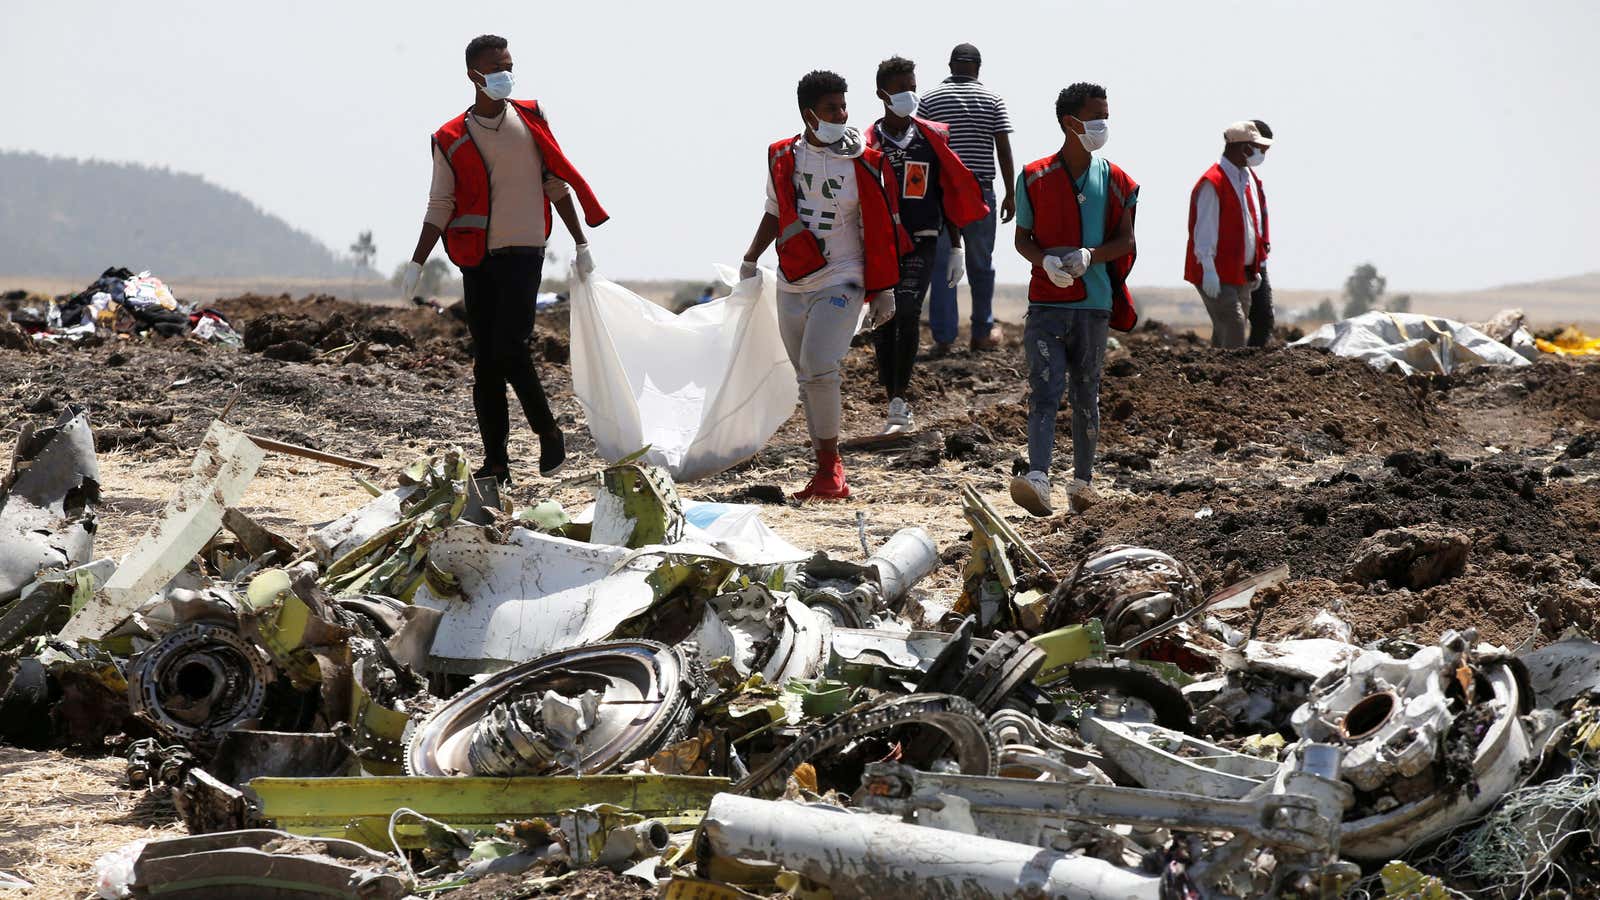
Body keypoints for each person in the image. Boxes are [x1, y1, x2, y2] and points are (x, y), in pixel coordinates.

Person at [400, 34, 608, 484]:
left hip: (525, 255)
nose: (505, 75)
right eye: (496, 67)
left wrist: (581, 242)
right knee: (487, 364)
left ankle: (548, 431)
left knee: (510, 348)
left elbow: (557, 182)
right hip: (477, 260)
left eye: (509, 65)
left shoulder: (532, 118)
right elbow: (441, 204)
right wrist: (417, 262)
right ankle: (496, 464)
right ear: (474, 75)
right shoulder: (451, 137)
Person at [739, 70, 910, 501]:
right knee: (807, 375)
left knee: (820, 366)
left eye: (844, 106)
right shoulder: (781, 155)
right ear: (808, 113)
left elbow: (882, 225)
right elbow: (775, 210)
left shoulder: (865, 161)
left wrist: (884, 287)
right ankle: (823, 470)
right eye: (832, 107)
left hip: (844, 275)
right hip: (793, 277)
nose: (841, 114)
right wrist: (750, 256)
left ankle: (832, 467)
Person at [1009, 83, 1140, 517]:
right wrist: (1044, 260)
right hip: (1047, 303)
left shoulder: (1119, 181)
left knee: (1087, 392)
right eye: (1097, 116)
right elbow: (1022, 239)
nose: (1104, 124)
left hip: (1094, 304)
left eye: (1106, 115)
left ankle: (1083, 483)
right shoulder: (1033, 176)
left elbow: (1126, 240)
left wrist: (1090, 255)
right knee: (1044, 391)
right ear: (1071, 122)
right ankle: (1039, 477)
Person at [864, 56, 990, 434]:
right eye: (902, 88)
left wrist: (956, 247)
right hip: (881, 244)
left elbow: (948, 191)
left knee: (906, 311)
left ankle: (900, 404)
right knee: (883, 322)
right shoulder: (868, 142)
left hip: (923, 240)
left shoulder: (932, 138)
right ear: (882, 94)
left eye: (913, 87)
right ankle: (892, 398)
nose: (910, 95)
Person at [917, 43, 1015, 354]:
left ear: (949, 66)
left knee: (943, 264)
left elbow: (921, 148)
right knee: (980, 265)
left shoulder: (930, 100)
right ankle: (982, 333)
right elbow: (1003, 147)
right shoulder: (993, 100)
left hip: (941, 194)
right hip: (980, 191)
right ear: (978, 68)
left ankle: (944, 338)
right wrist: (1011, 193)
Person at [1184, 121, 1273, 349]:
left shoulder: (1247, 179)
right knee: (1234, 323)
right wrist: (1209, 270)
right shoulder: (1213, 182)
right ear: (1243, 148)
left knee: (1229, 325)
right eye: (1257, 148)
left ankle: (1216, 376)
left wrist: (1255, 265)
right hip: (1216, 271)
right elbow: (1204, 229)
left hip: (1240, 272)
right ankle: (1233, 380)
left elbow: (1252, 225)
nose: (1261, 154)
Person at [1246, 119, 1275, 347]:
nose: (1263, 155)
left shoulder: (1252, 180)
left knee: (1264, 318)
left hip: (1257, 261)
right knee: (1233, 322)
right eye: (1262, 149)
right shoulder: (1226, 179)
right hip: (1239, 263)